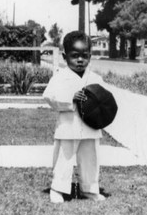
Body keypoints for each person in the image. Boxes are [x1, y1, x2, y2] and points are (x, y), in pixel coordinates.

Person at [43, 30, 106, 203]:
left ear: (90, 56)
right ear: (65, 56)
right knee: (65, 158)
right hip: (68, 126)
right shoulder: (60, 77)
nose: (80, 60)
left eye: (84, 56)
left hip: (90, 126)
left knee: (90, 158)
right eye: (74, 56)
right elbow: (49, 96)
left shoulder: (95, 78)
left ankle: (89, 188)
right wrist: (70, 98)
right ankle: (58, 188)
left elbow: (104, 100)